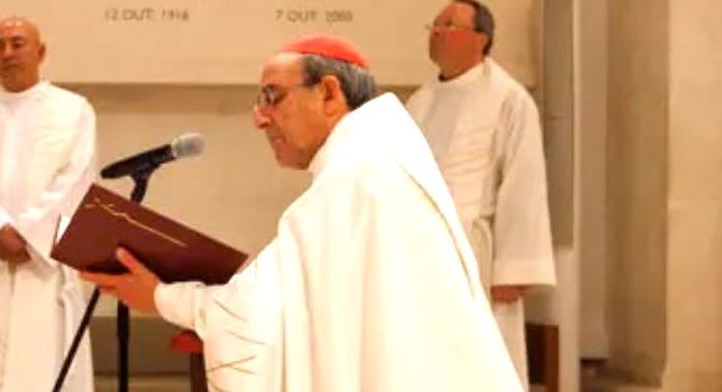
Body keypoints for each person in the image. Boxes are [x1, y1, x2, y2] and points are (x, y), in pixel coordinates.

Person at [83, 34, 519, 391]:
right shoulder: (380, 165)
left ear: (329, 93)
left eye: (273, 98)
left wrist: (158, 295)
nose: (260, 119)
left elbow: (253, 318)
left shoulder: (354, 180)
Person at [0, 17, 97, 392]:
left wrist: (29, 236)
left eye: (17, 43)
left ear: (40, 52)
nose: (7, 54)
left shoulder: (74, 111)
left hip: (43, 269)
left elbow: (76, 182)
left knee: (45, 374)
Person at [407, 0, 555, 383]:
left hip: (477, 255)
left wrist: (513, 269)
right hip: (420, 251)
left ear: (481, 39)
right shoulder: (420, 100)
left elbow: (524, 183)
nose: (437, 33)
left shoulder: (508, 98)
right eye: (434, 25)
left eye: (449, 25)